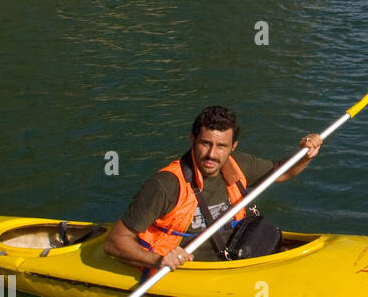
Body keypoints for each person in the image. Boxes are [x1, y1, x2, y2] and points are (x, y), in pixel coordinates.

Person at [104, 106, 321, 270]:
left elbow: (281, 172)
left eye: (221, 146)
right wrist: (158, 260)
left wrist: (306, 154)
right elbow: (114, 242)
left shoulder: (238, 164)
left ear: (233, 146)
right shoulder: (165, 185)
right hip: (186, 271)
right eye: (205, 143)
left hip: (236, 259)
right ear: (192, 139)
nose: (212, 154)